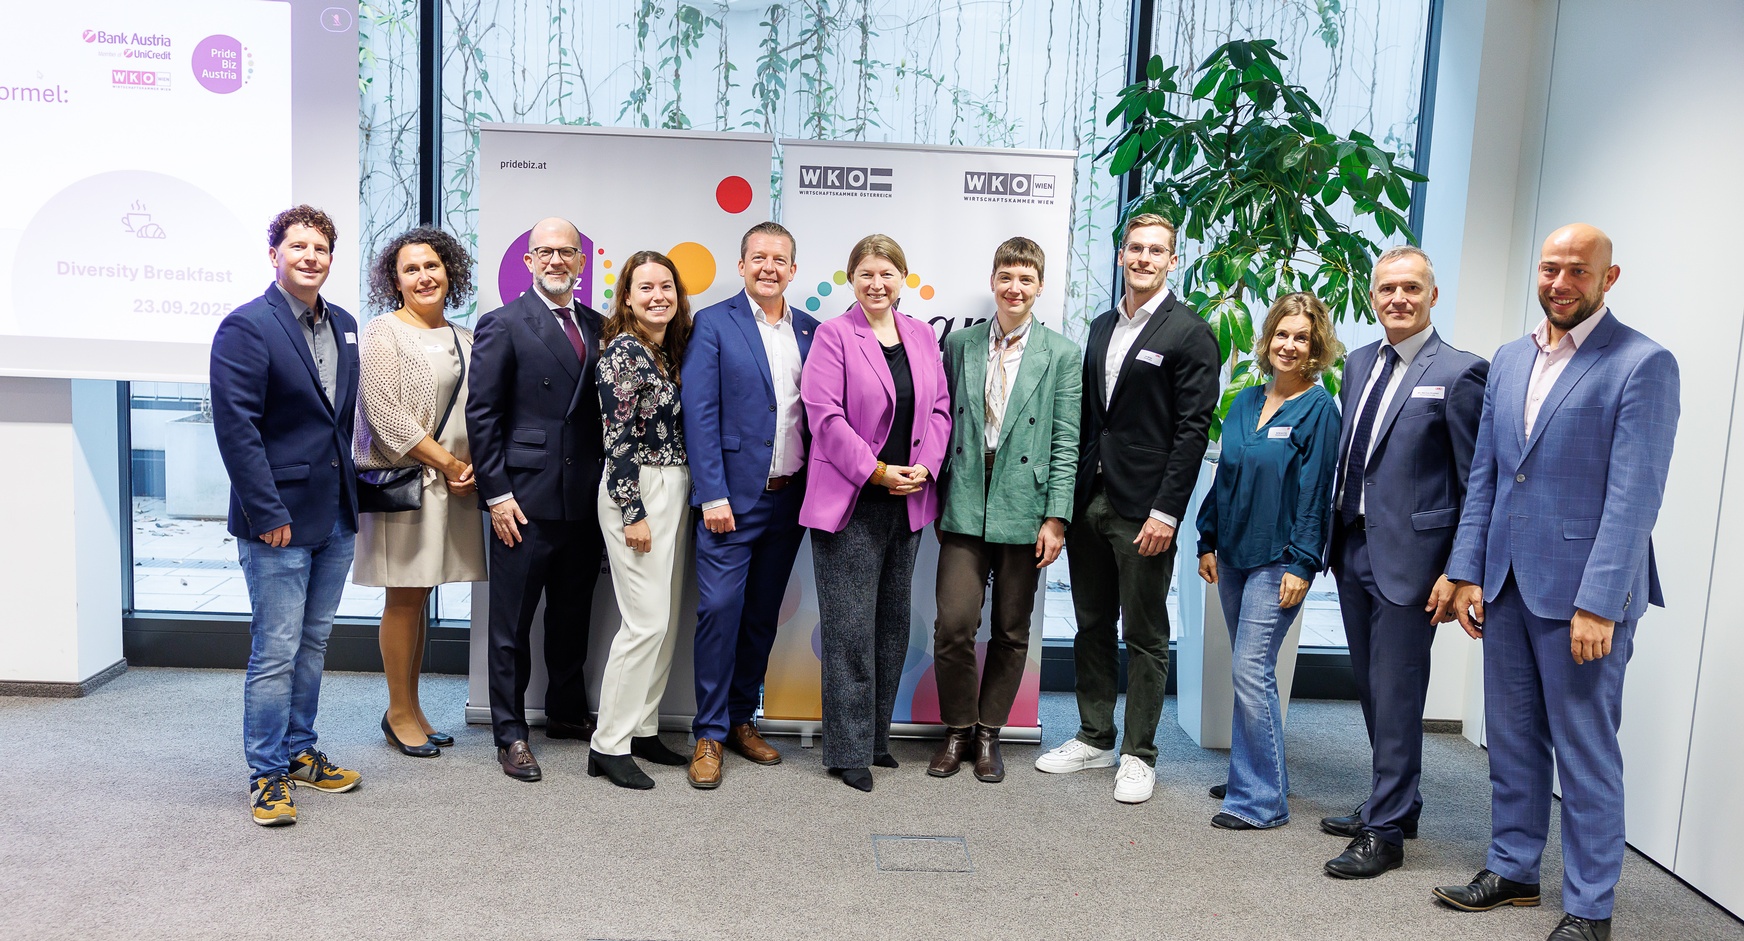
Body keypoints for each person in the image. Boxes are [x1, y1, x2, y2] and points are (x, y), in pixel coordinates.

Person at [1434, 224, 1679, 941]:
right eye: (1550, 268)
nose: (1561, 283)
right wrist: (1468, 568)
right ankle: (1512, 868)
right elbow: (1487, 473)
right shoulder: (1511, 358)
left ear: (1610, 277)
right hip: (1506, 583)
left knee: (1584, 750)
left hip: (1584, 597)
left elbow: (1636, 494)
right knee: (1511, 739)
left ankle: (1590, 908)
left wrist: (1600, 602)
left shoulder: (1641, 363)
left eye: (1578, 270)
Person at [1035, 213, 1219, 805]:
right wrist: (1065, 502)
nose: (1143, 258)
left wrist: (1168, 513)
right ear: (1121, 256)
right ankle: (1093, 736)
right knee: (1090, 622)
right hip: (1091, 498)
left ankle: (1139, 754)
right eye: (1134, 248)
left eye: (1155, 250)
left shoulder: (1189, 333)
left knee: (1144, 634)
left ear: (1172, 259)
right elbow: (1092, 418)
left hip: (1144, 509)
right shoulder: (1100, 326)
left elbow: (1192, 432)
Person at [1320, 246, 1488, 878]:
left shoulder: (1464, 371)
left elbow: (1476, 483)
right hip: (1354, 546)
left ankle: (1385, 833)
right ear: (1372, 296)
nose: (1398, 299)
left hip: (1415, 562)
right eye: (1387, 288)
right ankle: (1398, 801)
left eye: (1411, 288)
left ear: (1432, 296)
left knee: (1397, 690)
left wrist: (1458, 569)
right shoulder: (1358, 363)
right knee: (1369, 683)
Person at [210, 205, 363, 826]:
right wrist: (265, 508)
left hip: (335, 516)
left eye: (320, 248)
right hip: (276, 518)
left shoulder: (346, 324)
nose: (310, 256)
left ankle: (300, 751)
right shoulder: (247, 326)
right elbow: (236, 429)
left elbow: (341, 423)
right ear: (274, 254)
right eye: (297, 245)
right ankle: (267, 774)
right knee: (275, 650)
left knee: (314, 643)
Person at [799, 233, 951, 793]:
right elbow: (825, 418)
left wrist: (925, 468)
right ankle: (846, 751)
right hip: (853, 502)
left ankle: (876, 739)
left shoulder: (919, 335)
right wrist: (880, 471)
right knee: (849, 632)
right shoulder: (835, 336)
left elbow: (939, 408)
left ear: (902, 278)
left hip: (907, 502)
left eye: (887, 273)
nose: (877, 283)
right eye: (866, 273)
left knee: (890, 628)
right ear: (851, 279)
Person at [928, 237, 1081, 783]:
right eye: (1006, 277)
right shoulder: (961, 345)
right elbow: (941, 424)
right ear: (993, 280)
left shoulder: (1061, 354)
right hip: (967, 496)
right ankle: (958, 729)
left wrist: (1056, 517)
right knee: (954, 625)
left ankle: (990, 733)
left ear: (1039, 287)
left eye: (1026, 280)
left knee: (1012, 629)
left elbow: (1066, 440)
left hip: (1025, 502)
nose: (1015, 288)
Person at [466, 217, 607, 782]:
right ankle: (511, 733)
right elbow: (483, 416)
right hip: (521, 500)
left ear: (581, 262)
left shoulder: (599, 325)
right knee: (511, 623)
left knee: (573, 616)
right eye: (544, 252)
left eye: (566, 252)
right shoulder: (503, 324)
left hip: (583, 497)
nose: (556, 261)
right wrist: (496, 494)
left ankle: (567, 713)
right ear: (527, 261)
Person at [1195, 292, 1343, 830]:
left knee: (1251, 670)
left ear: (1315, 346)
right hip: (1232, 551)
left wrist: (1303, 563)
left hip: (1277, 558)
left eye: (1301, 337)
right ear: (1268, 338)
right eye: (1282, 333)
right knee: (1249, 670)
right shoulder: (1245, 400)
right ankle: (1253, 773)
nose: (1289, 344)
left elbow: (1315, 493)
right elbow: (1224, 475)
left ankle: (1260, 802)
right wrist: (1205, 538)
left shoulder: (1319, 409)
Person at [681, 222, 820, 789]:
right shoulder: (712, 324)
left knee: (762, 616)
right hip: (729, 503)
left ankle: (742, 719)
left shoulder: (812, 331)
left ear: (793, 270)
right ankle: (709, 734)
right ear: (741, 266)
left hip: (789, 501)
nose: (768, 267)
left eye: (779, 259)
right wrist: (711, 493)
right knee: (719, 613)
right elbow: (700, 413)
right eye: (758, 257)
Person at [352, 226, 488, 758]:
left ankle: (412, 708)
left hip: (453, 486)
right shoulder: (383, 333)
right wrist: (452, 463)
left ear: (448, 271)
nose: (424, 276)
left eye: (432, 265)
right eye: (411, 269)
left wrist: (471, 467)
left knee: (422, 594)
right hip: (411, 484)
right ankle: (398, 713)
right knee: (403, 598)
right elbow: (386, 416)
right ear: (396, 279)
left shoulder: (464, 335)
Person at [588, 251, 695, 790]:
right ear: (626, 297)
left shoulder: (663, 351)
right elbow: (618, 440)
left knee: (667, 620)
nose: (659, 296)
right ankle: (608, 744)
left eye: (667, 287)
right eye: (646, 287)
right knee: (645, 622)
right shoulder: (623, 354)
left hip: (673, 485)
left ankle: (644, 729)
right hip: (640, 490)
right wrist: (633, 511)